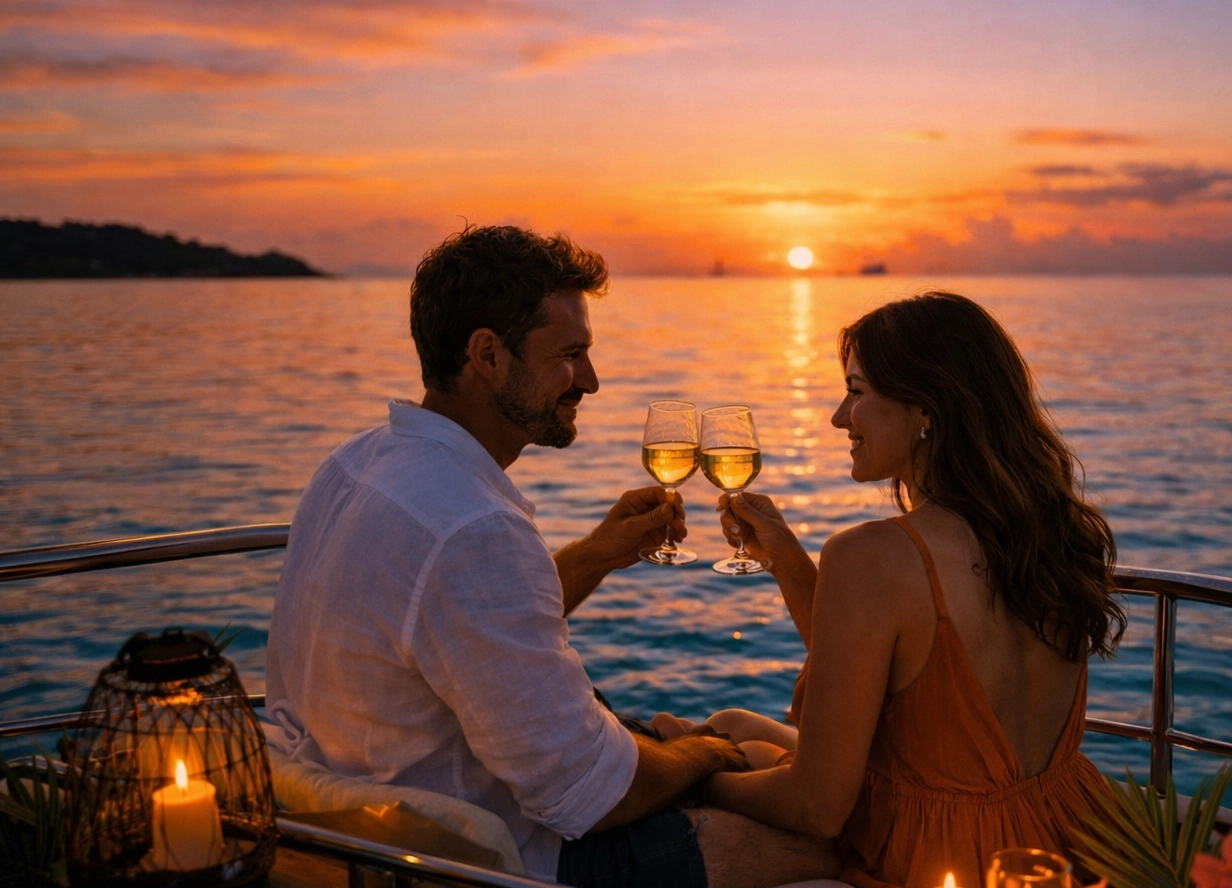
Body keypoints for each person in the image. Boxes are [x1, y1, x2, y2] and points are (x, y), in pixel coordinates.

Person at [266, 226, 838, 888]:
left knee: (747, 753)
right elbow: (594, 798)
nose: (591, 380)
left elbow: (460, 638)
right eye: (570, 354)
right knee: (829, 846)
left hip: (361, 815)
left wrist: (596, 555)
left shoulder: (356, 465)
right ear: (487, 354)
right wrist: (703, 757)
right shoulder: (472, 527)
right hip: (508, 855)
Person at [658, 292, 1125, 888]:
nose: (837, 416)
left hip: (941, 856)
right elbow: (902, 670)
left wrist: (690, 771)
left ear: (924, 410)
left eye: (856, 392)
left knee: (710, 744)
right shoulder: (1053, 530)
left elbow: (817, 806)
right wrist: (785, 559)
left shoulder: (874, 556)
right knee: (735, 722)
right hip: (1059, 833)